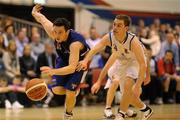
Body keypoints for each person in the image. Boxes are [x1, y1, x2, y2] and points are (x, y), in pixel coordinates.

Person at [77, 14, 152, 120]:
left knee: (128, 84)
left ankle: (120, 114)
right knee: (129, 97)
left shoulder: (133, 41)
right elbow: (94, 49)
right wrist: (85, 60)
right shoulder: (110, 38)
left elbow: (144, 62)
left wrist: (141, 81)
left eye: (119, 25)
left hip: (135, 62)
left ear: (126, 28)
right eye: (114, 24)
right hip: (123, 63)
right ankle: (146, 110)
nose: (115, 27)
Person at [32, 4, 90, 120]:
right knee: (56, 90)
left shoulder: (75, 43)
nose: (56, 36)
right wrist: (34, 13)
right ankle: (75, 92)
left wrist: (53, 71)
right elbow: (42, 20)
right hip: (63, 60)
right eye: (55, 31)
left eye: (60, 32)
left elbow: (72, 68)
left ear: (67, 31)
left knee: (69, 92)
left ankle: (68, 114)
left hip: (79, 63)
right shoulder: (54, 32)